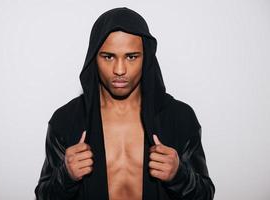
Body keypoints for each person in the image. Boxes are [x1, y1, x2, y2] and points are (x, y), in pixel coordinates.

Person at [35, 7, 215, 200]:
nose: (119, 70)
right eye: (108, 56)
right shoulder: (66, 120)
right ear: (93, 58)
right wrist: (66, 176)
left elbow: (205, 194)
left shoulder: (180, 117)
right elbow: (44, 196)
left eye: (131, 57)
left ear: (146, 58)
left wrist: (179, 176)